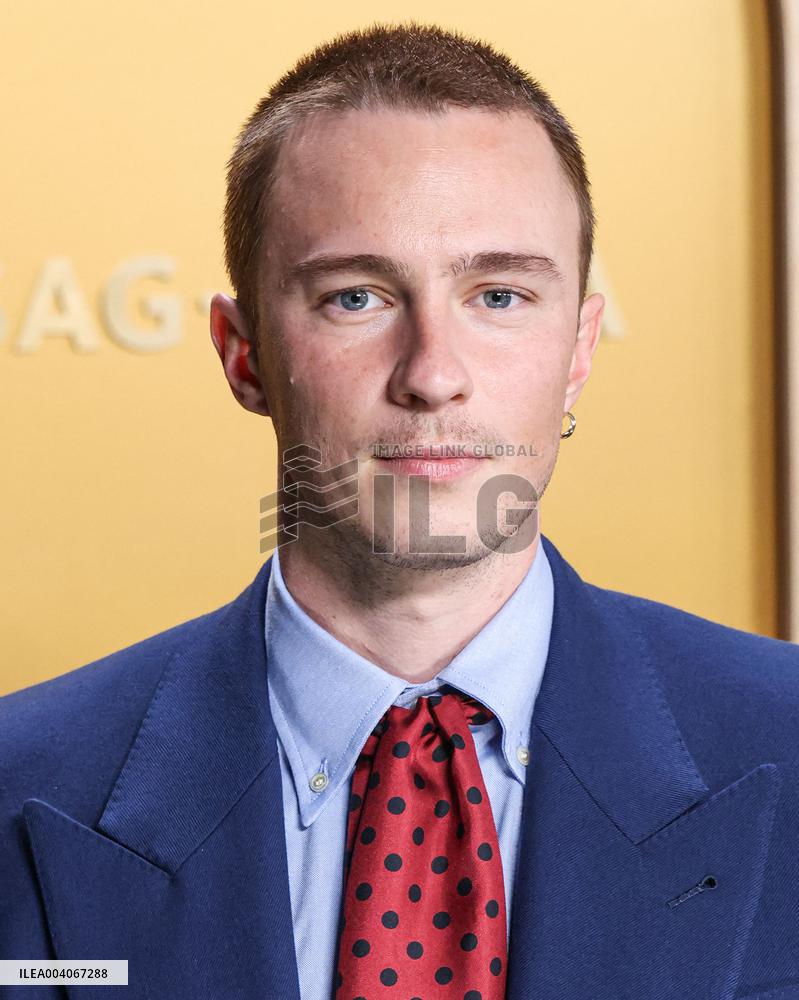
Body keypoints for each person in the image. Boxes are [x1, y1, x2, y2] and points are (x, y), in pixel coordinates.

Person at [1, 20, 797, 1000]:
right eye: (356, 298)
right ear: (242, 353)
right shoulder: (18, 785)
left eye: (498, 295)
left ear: (579, 347)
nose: (432, 375)